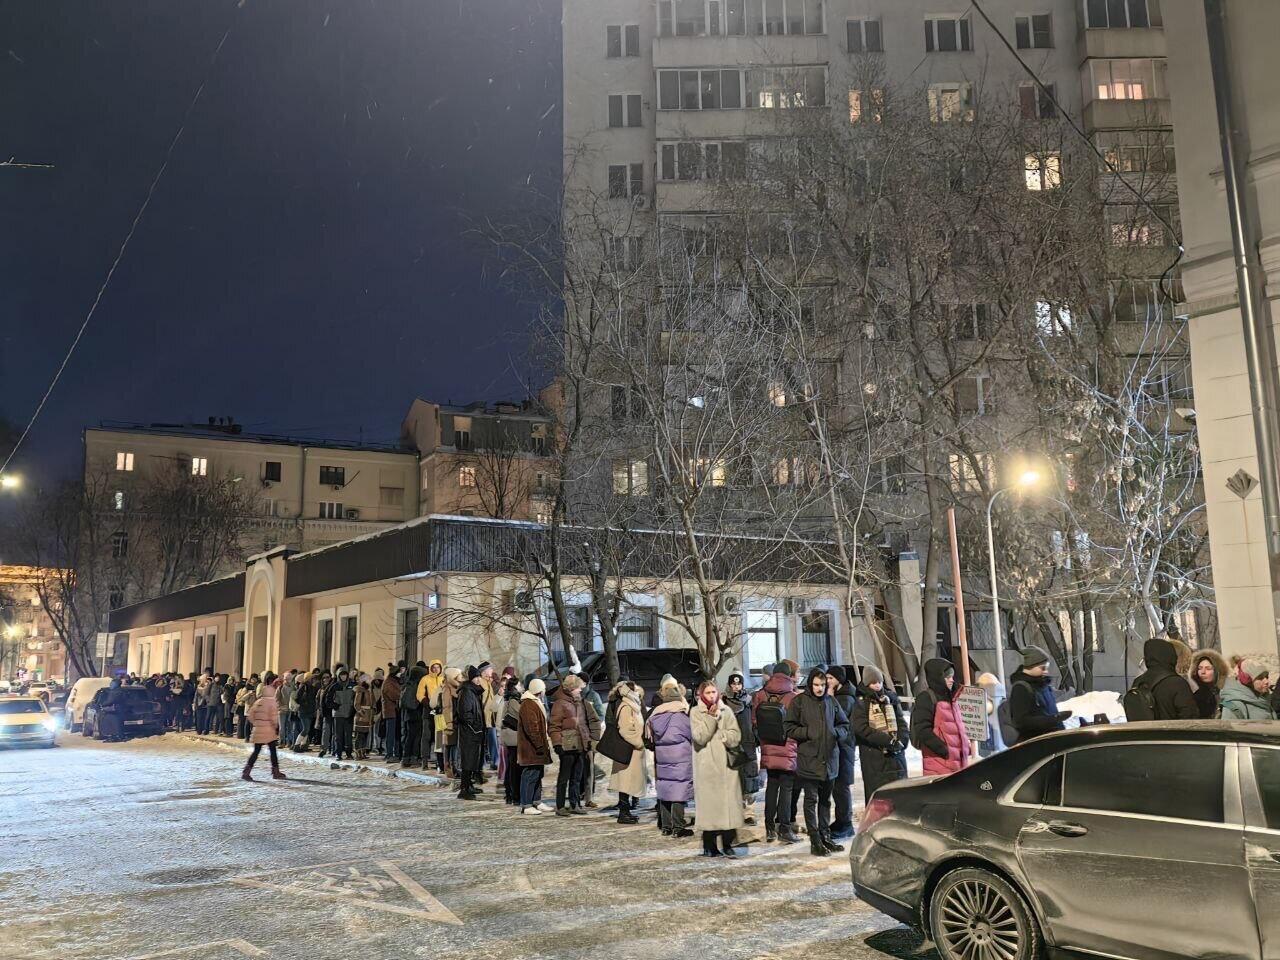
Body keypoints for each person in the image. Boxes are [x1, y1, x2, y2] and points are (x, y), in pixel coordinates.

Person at [785, 666, 849, 857]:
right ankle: (815, 840)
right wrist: (807, 733)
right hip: (809, 760)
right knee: (811, 800)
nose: (820, 688)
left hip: (830, 760)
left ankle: (825, 835)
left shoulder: (831, 701)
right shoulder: (799, 702)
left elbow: (844, 724)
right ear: (810, 684)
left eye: (822, 684)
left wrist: (835, 734)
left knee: (825, 801)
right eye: (816, 684)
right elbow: (788, 727)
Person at [691, 680, 745, 858]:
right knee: (710, 808)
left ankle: (728, 844)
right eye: (707, 693)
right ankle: (709, 845)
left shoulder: (726, 710)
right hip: (707, 767)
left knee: (728, 806)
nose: (712, 696)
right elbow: (700, 737)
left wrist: (724, 737)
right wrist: (711, 718)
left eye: (714, 692)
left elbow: (736, 735)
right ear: (701, 694)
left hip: (726, 768)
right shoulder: (696, 712)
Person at [752, 662, 800, 844]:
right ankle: (785, 829)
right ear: (789, 676)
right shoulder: (794, 697)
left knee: (772, 787)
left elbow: (754, 721)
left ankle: (770, 828)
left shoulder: (760, 694)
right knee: (786, 788)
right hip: (788, 748)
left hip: (768, 746)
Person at [851, 666, 908, 802]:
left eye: (879, 682)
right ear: (866, 683)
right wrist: (887, 741)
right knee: (878, 799)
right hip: (874, 757)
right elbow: (861, 728)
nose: (877, 685)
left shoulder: (891, 700)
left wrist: (902, 741)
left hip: (896, 757)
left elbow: (901, 723)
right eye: (873, 682)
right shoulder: (861, 703)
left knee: (899, 797)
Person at [647, 682, 693, 837]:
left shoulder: (655, 716)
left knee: (666, 790)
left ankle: (666, 826)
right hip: (680, 758)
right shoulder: (680, 716)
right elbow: (692, 734)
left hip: (663, 758)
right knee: (678, 791)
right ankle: (678, 827)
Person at [911, 659, 971, 777]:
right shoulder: (926, 698)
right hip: (939, 764)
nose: (951, 680)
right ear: (937, 677)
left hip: (958, 764)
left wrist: (965, 747)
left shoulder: (952, 699)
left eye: (952, 676)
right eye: (947, 676)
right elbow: (922, 730)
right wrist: (944, 750)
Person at [1007, 647, 1072, 744]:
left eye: (1047, 667)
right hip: (1037, 744)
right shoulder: (1021, 688)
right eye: (1043, 668)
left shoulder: (1044, 684)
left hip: (1052, 741)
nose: (1046, 671)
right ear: (1031, 666)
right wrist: (1054, 719)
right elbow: (1021, 721)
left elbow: (1048, 710)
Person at [549, 674, 591, 816]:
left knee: (577, 777)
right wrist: (557, 744)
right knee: (564, 777)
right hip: (566, 745)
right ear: (572, 688)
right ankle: (560, 806)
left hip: (579, 745)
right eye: (578, 687)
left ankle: (575, 804)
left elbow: (583, 724)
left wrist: (587, 740)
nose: (580, 690)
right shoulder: (560, 703)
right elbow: (554, 726)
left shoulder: (578, 702)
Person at [607, 680, 647, 825]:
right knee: (625, 783)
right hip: (629, 750)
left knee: (628, 783)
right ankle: (623, 813)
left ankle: (626, 812)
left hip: (632, 751)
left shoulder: (633, 705)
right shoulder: (626, 706)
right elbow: (625, 729)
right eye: (635, 689)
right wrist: (639, 743)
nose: (638, 691)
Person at [724, 673, 761, 826]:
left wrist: (756, 737)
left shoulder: (749, 701)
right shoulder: (724, 702)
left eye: (739, 684)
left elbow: (754, 720)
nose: (736, 687)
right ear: (730, 685)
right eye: (733, 684)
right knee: (734, 781)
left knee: (750, 780)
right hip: (732, 747)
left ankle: (750, 813)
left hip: (748, 744)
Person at [1131, 638, 1199, 721]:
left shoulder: (1138, 682)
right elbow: (1190, 717)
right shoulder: (1177, 683)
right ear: (1170, 655)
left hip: (1144, 733)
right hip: (1172, 733)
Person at [825, 666, 857, 840]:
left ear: (839, 679)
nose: (828, 681)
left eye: (831, 678)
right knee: (837, 786)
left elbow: (837, 717)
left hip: (844, 747)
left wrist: (829, 697)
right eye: (827, 678)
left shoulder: (845, 698)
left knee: (842, 785)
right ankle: (840, 821)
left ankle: (846, 823)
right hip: (838, 747)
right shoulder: (839, 695)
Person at [517, 678, 554, 814]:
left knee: (538, 774)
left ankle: (536, 801)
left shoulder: (535, 702)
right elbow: (532, 728)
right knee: (530, 775)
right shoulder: (528, 704)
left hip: (536, 746)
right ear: (539, 690)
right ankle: (526, 804)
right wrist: (539, 745)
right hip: (531, 748)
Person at [242, 672, 287, 782]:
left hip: (258, 731)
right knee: (272, 751)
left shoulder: (258, 701)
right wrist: (275, 726)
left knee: (256, 752)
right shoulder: (271, 703)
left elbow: (250, 715)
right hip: (268, 731)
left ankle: (246, 771)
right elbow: (274, 718)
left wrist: (256, 723)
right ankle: (275, 771)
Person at [455, 666, 487, 799]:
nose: (479, 679)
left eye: (479, 676)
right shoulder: (467, 692)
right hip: (469, 732)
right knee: (467, 760)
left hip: (474, 731)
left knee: (472, 760)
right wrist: (474, 727)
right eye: (476, 677)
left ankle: (468, 786)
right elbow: (465, 713)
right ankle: (464, 789)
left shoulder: (473, 691)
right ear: (471, 678)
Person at [500, 676, 523, 804]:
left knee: (511, 766)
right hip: (513, 735)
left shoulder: (509, 698)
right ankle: (513, 794)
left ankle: (510, 793)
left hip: (510, 735)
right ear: (515, 686)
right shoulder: (513, 699)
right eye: (520, 685)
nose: (522, 687)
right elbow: (521, 715)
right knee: (513, 767)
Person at [400, 663, 427, 767]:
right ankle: (413, 757)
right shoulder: (416, 686)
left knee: (410, 736)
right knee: (415, 737)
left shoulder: (407, 684)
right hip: (415, 714)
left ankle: (406, 758)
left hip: (408, 714)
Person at [1189, 650, 1229, 720]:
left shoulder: (1226, 691)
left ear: (1217, 671)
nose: (1203, 672)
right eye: (1199, 668)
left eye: (1208, 668)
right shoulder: (1194, 694)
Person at [294, 672, 318, 751]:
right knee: (306, 729)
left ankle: (303, 746)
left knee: (307, 729)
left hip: (310, 711)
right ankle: (296, 745)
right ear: (308, 678)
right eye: (312, 678)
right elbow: (297, 698)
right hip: (303, 711)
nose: (313, 680)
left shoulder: (313, 687)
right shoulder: (303, 686)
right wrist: (304, 703)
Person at [382, 667, 401, 760]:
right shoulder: (389, 682)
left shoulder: (394, 681)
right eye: (398, 673)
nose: (400, 674)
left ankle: (395, 752)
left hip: (394, 711)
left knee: (395, 733)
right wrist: (402, 694)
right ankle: (389, 753)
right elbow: (394, 695)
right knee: (391, 734)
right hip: (390, 712)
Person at [353, 678, 374, 760]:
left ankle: (363, 752)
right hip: (361, 717)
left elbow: (372, 703)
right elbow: (356, 704)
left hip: (367, 717)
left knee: (365, 736)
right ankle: (358, 752)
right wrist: (361, 712)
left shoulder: (368, 692)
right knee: (359, 736)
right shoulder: (360, 691)